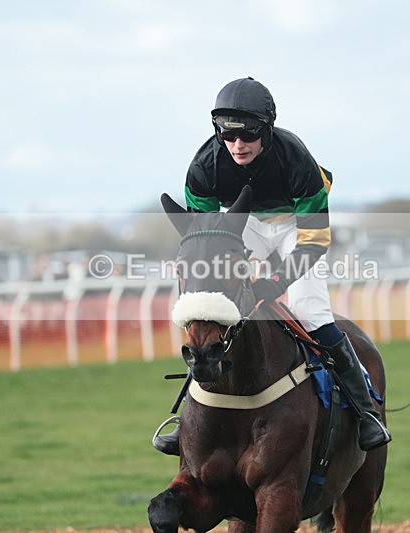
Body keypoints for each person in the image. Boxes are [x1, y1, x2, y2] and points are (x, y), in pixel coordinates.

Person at [152, 77, 391, 455]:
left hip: (297, 227)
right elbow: (204, 240)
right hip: (243, 223)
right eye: (228, 135)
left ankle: (366, 413)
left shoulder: (296, 159)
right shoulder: (203, 167)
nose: (238, 145)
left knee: (310, 311)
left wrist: (274, 281)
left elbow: (314, 240)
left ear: (267, 129)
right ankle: (188, 417)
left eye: (248, 135)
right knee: (215, 311)